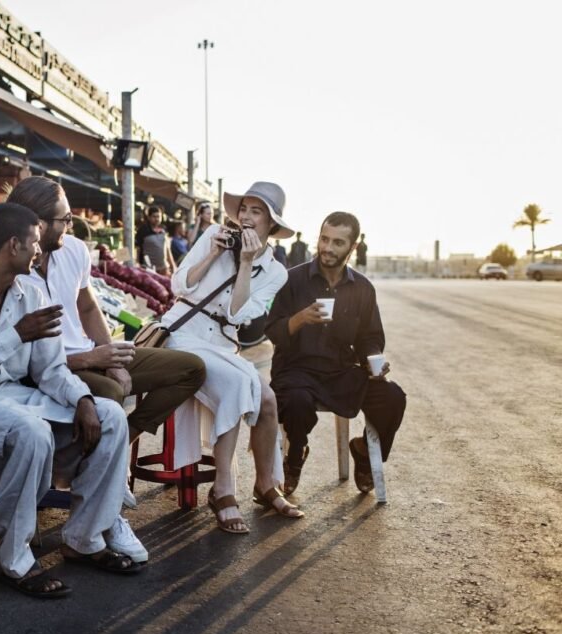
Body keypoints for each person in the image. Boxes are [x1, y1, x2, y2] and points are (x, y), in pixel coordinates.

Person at [0, 203, 143, 600]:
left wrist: (83, 399)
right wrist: (15, 335)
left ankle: (84, 537)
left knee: (110, 415)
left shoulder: (34, 293)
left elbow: (50, 370)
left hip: (12, 398)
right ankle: (14, 557)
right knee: (32, 431)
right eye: (35, 243)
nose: (41, 251)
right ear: (13, 245)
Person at [8, 177, 206, 513]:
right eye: (64, 219)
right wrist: (90, 359)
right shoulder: (10, 267)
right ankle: (95, 477)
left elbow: (87, 307)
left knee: (191, 369)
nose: (71, 226)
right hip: (50, 371)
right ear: (38, 223)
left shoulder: (74, 250)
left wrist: (111, 359)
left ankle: (117, 444)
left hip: (93, 355)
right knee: (111, 395)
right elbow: (23, 360)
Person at [161, 181, 304, 534]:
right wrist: (212, 254)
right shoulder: (213, 233)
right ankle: (223, 488)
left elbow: (238, 314)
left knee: (267, 399)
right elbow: (179, 286)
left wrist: (244, 264)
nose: (247, 216)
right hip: (184, 335)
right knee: (243, 383)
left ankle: (266, 484)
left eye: (257, 211)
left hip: (223, 345)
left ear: (271, 225)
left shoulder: (275, 272)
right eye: (244, 209)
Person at [265, 212, 406, 496]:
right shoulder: (292, 279)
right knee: (296, 400)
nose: (327, 247)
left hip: (341, 372)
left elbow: (371, 337)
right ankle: (294, 458)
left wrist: (373, 360)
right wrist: (300, 319)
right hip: (296, 370)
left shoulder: (362, 288)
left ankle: (364, 451)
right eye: (324, 238)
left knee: (393, 397)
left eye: (338, 242)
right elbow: (272, 331)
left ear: (352, 248)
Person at [135, 205, 176, 275]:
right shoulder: (143, 230)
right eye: (154, 216)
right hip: (148, 269)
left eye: (158, 216)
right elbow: (137, 249)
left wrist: (173, 266)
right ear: (149, 217)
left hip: (164, 269)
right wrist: (137, 264)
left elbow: (168, 250)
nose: (157, 219)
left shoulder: (163, 230)